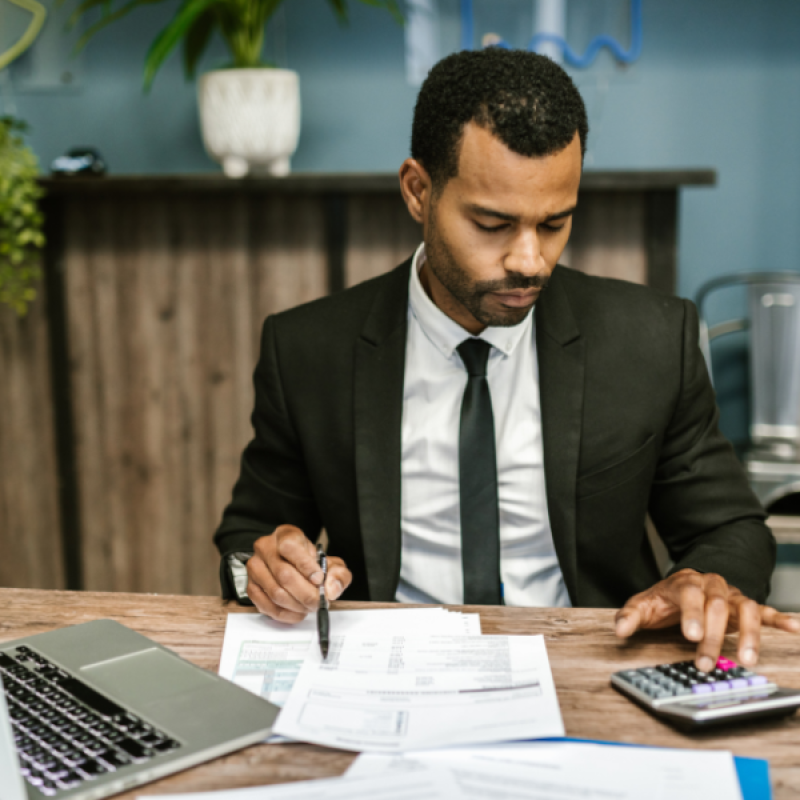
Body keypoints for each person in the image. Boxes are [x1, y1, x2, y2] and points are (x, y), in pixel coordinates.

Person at [214, 48, 798, 672]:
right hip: (385, 672)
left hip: (593, 666)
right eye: (492, 223)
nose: (529, 260)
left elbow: (732, 530)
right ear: (418, 191)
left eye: (554, 223)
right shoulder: (308, 349)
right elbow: (251, 536)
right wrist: (265, 569)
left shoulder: (653, 340)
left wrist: (705, 580)